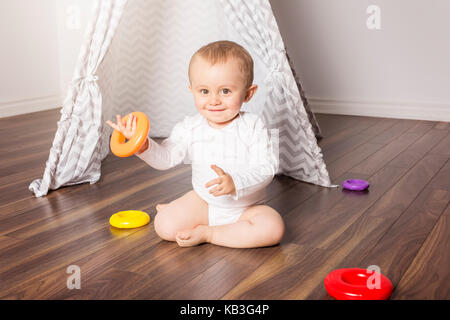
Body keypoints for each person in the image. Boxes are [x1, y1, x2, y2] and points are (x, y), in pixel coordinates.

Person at [106, 40, 285, 248]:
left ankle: (209, 233)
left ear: (247, 93)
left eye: (225, 91)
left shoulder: (254, 125)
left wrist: (236, 182)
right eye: (204, 91)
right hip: (204, 202)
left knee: (273, 228)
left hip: (246, 208)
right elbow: (167, 158)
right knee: (164, 226)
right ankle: (182, 211)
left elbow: (266, 167)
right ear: (192, 91)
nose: (214, 100)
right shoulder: (189, 127)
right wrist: (142, 145)